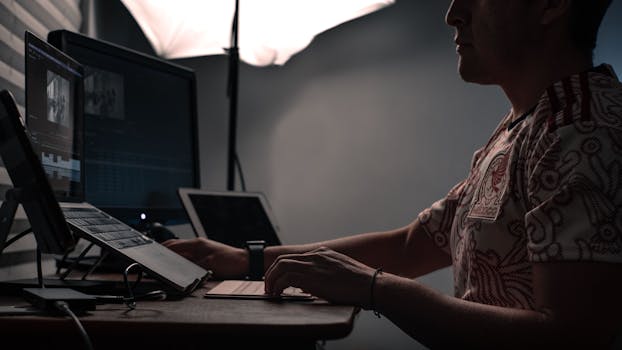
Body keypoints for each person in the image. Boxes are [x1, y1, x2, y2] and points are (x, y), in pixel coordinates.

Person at [164, 0, 622, 348]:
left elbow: (572, 336)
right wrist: (246, 261)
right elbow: (412, 245)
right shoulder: (528, 125)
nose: (452, 14)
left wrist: (373, 289)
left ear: (551, 5)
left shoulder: (581, 131)